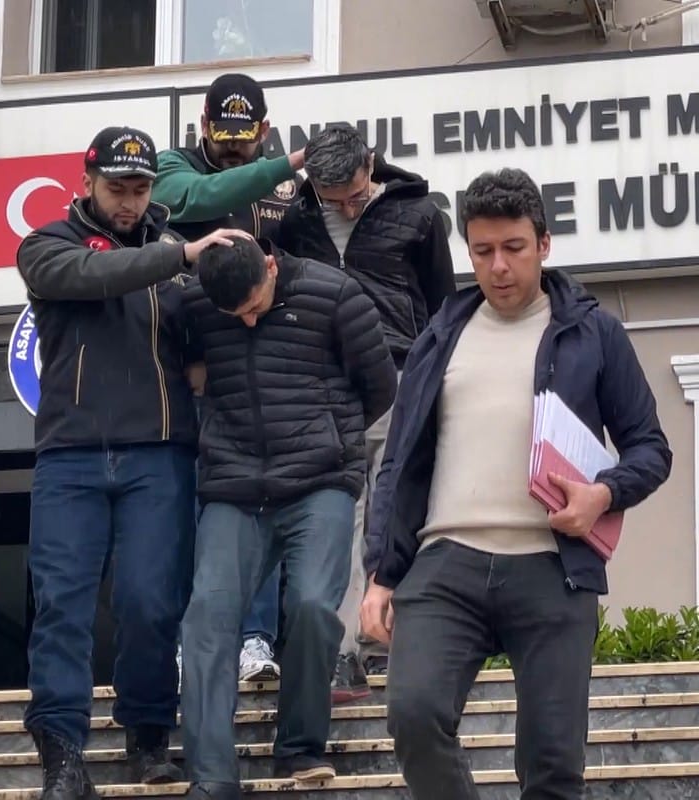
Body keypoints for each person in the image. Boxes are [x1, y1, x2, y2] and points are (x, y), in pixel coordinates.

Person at [359, 168, 672, 800]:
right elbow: (398, 463)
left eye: (513, 248)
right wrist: (381, 572)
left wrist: (602, 495)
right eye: (482, 251)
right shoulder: (439, 336)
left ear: (544, 244)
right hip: (445, 562)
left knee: (553, 762)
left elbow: (650, 449)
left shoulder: (593, 332)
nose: (498, 266)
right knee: (413, 714)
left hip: (553, 567)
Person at [15, 125, 252, 799]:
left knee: (151, 602)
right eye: (116, 187)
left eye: (140, 188)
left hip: (160, 455)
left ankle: (148, 733)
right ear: (87, 182)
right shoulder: (48, 245)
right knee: (61, 605)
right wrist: (178, 255)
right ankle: (62, 755)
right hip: (69, 456)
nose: (128, 201)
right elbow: (94, 276)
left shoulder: (177, 263)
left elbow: (205, 356)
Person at [177, 237, 398, 799]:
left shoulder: (336, 294)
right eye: (236, 315)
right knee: (207, 617)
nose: (248, 321)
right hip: (233, 485)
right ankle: (211, 777)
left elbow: (380, 387)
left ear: (271, 265)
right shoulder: (199, 303)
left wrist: (331, 435)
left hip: (319, 480)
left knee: (312, 606)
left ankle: (299, 746)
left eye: (255, 305)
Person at [275, 123, 456, 701]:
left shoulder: (419, 214)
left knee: (401, 509)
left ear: (370, 165)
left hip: (401, 377)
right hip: (326, 385)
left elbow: (443, 307)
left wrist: (439, 379)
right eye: (336, 202)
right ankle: (342, 651)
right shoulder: (295, 223)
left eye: (355, 195)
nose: (349, 208)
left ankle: (401, 642)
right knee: (339, 518)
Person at [153, 72, 308, 682]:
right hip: (184, 372)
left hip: (261, 368)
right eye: (223, 137)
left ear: (264, 129)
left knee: (261, 505)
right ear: (203, 125)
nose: (234, 149)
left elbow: (304, 264)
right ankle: (193, 640)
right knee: (192, 510)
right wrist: (281, 164)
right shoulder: (173, 165)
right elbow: (200, 198)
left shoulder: (287, 191)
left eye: (246, 139)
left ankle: (254, 640)